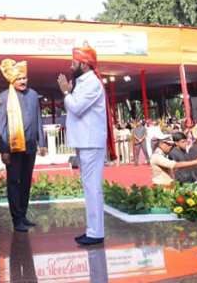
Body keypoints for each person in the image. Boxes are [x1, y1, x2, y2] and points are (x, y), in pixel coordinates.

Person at [57, 45, 111, 246]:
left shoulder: (91, 83)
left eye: (74, 62)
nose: (71, 65)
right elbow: (75, 106)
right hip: (86, 141)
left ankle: (96, 232)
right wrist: (69, 93)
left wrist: (65, 93)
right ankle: (93, 230)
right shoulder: (84, 82)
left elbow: (77, 108)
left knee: (92, 187)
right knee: (90, 187)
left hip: (90, 142)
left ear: (85, 64)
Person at [0, 59, 46, 233]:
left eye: (25, 78)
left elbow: (39, 118)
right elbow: (1, 126)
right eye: (19, 79)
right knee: (14, 182)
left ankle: (23, 216)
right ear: (12, 80)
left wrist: (43, 142)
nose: (23, 81)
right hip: (13, 149)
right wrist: (4, 150)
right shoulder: (3, 98)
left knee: (25, 182)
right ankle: (16, 219)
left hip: (30, 147)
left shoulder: (33, 95)